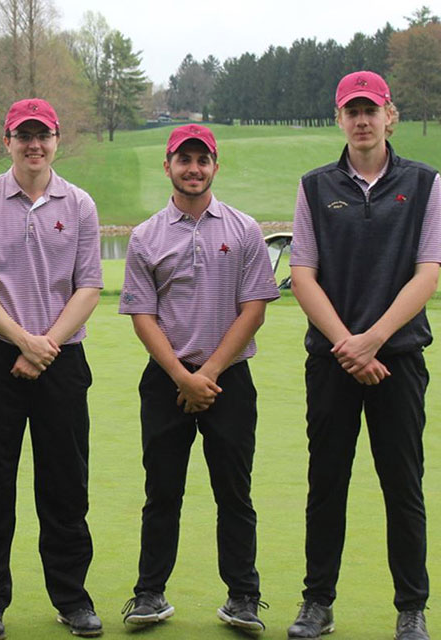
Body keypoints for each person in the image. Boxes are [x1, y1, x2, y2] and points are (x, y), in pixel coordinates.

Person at [287, 70, 439, 640]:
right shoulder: (314, 186)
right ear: (339, 119)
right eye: (351, 111)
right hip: (332, 361)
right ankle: (317, 603)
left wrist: (371, 340)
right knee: (326, 482)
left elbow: (429, 272)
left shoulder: (425, 183)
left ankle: (411, 608)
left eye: (370, 110)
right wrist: (347, 346)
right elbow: (302, 274)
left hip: (396, 360)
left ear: (389, 115)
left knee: (403, 485)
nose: (362, 120)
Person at [118, 124, 279, 633]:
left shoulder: (244, 229)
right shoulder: (146, 236)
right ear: (168, 166)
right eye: (183, 160)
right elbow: (143, 315)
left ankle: (243, 597)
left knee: (234, 493)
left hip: (228, 377)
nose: (193, 168)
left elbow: (254, 308)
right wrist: (180, 376)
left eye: (202, 160)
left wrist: (206, 373)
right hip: (166, 379)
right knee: (162, 491)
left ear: (215, 165)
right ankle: (149, 594)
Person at [0, 98, 103, 639]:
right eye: (24, 136)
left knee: (65, 484)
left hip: (62, 358)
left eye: (43, 135)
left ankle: (71, 596)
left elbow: (89, 285)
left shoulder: (80, 203)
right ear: (7, 140)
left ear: (56, 140)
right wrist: (22, 340)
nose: (34, 145)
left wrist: (47, 345)